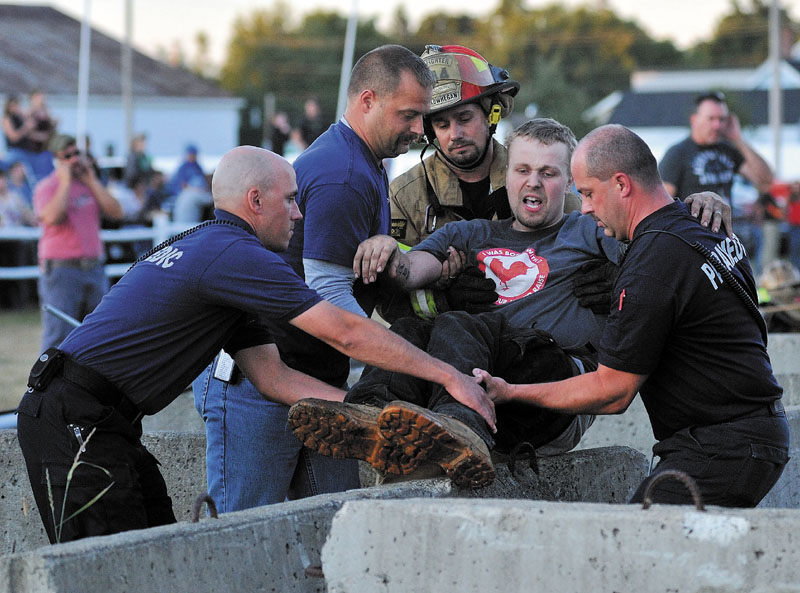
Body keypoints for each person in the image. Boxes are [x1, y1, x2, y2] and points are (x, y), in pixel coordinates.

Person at [16, 145, 492, 544]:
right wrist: (447, 375)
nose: (299, 213)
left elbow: (272, 377)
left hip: (98, 418)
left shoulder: (214, 251)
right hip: (72, 415)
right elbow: (345, 330)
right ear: (255, 200)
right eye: (290, 200)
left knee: (156, 556)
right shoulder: (235, 253)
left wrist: (370, 412)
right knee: (112, 570)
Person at [289, 118, 738, 490]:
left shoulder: (592, 229)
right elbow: (416, 269)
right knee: (410, 332)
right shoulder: (473, 234)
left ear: (570, 183)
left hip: (555, 384)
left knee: (460, 324)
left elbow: (656, 226)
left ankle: (457, 427)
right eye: (523, 170)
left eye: (550, 173)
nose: (535, 183)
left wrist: (703, 200)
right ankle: (368, 415)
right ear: (506, 176)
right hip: (484, 382)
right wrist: (388, 251)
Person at [476, 124, 789, 508]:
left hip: (721, 448)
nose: (586, 207)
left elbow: (613, 391)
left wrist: (511, 391)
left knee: (636, 547)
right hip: (752, 436)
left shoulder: (651, 264)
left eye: (589, 193)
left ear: (622, 184)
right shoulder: (707, 226)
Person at [192, 44, 437, 512]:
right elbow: (327, 294)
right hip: (259, 379)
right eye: (409, 114)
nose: (418, 129)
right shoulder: (343, 173)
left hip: (315, 377)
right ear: (367, 100)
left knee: (334, 531)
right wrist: (409, 364)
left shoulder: (361, 159)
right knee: (245, 533)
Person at [33, 134, 124, 351]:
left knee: (99, 335)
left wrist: (92, 180)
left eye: (77, 154)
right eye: (68, 156)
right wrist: (64, 182)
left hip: (93, 268)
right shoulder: (47, 187)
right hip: (62, 270)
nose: (74, 159)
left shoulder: (89, 184)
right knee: (59, 336)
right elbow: (52, 217)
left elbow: (117, 212)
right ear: (57, 159)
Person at [659, 91, 773, 202]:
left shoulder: (728, 150)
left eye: (722, 119)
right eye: (711, 119)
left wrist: (738, 140)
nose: (717, 125)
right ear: (694, 120)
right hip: (694, 220)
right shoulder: (677, 154)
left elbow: (764, 180)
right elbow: (662, 203)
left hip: (726, 220)